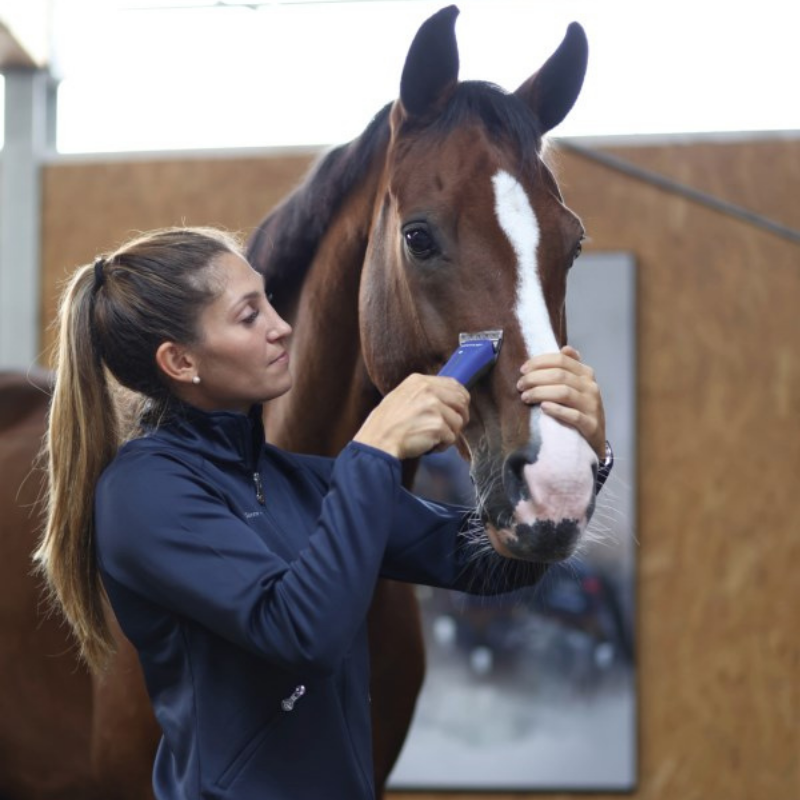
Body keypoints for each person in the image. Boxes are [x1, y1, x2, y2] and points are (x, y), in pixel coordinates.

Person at [34, 227, 610, 800]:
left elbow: (492, 562)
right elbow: (299, 632)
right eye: (247, 316)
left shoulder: (297, 480)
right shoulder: (142, 492)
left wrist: (582, 456)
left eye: (269, 303)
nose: (280, 326)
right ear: (180, 361)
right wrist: (374, 451)